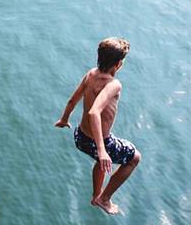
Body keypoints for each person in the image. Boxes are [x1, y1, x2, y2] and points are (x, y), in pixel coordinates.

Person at [55, 37, 141, 215]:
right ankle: (104, 198)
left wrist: (64, 119)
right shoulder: (113, 84)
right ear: (118, 64)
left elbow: (73, 100)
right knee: (134, 158)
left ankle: (96, 195)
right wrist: (102, 150)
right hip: (98, 142)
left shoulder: (91, 74)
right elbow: (94, 112)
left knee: (102, 157)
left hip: (80, 137)